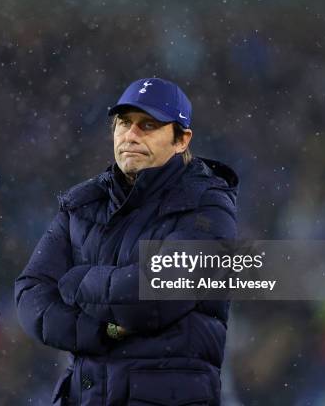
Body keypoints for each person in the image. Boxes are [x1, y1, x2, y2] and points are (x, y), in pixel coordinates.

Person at [14, 77, 238, 405]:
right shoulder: (84, 203)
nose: (131, 135)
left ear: (181, 139)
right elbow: (30, 297)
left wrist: (76, 281)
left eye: (148, 125)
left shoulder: (208, 203)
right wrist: (103, 330)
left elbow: (154, 294)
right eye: (123, 123)